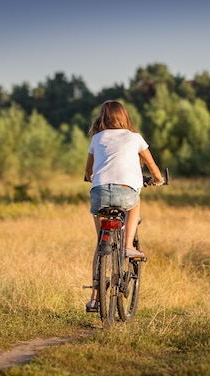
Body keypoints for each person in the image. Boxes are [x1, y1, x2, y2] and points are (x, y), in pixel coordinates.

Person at [84, 100, 164, 312]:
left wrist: (90, 177)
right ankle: (128, 245)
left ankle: (94, 296)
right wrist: (157, 180)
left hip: (99, 193)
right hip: (126, 191)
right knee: (135, 203)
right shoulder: (135, 138)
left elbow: (88, 172)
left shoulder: (97, 138)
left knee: (101, 245)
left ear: (102, 118)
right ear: (124, 117)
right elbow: (152, 167)